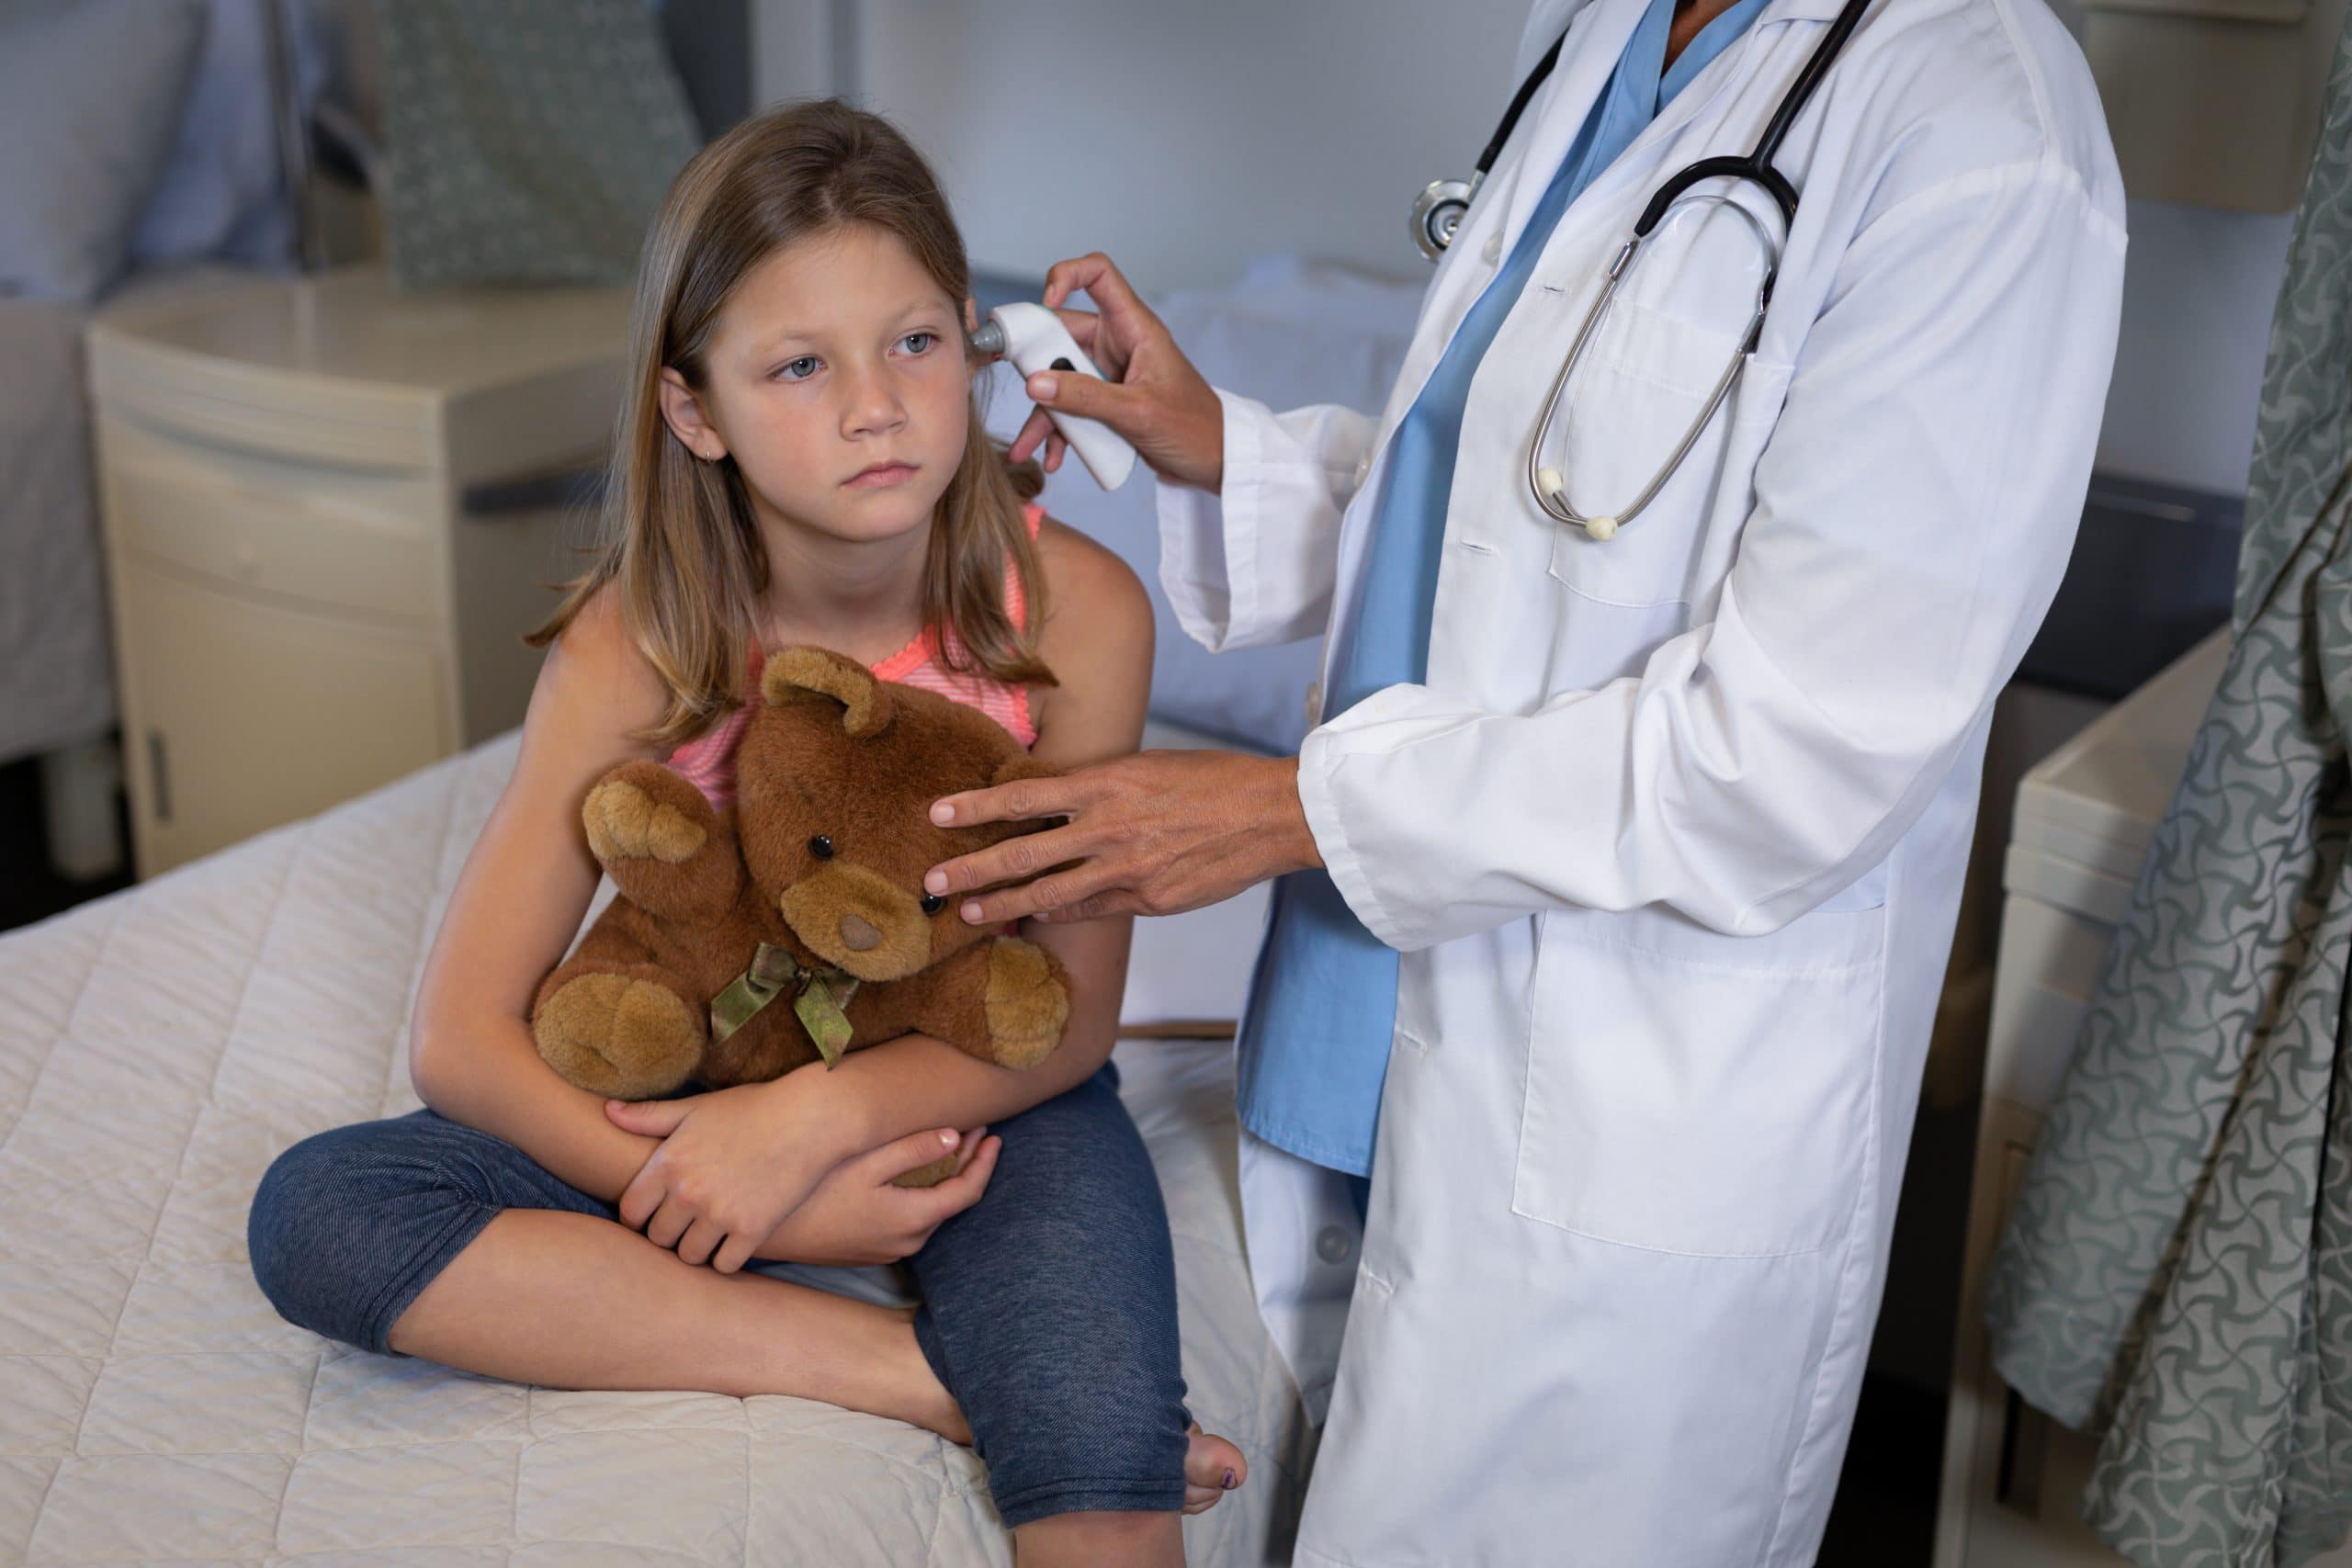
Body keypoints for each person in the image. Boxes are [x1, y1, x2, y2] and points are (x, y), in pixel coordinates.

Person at [921, 0, 2128, 1559]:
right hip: (1365, 1041)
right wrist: (1223, 442)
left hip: (1629, 1109)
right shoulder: (1598, 29)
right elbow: (1512, 516)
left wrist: (1282, 811)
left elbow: (1801, 748)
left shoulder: (1986, 130)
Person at [245, 100, 1245, 1568]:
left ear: (971, 344)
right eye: (798, 364)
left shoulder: (1081, 614)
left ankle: (1017, 1389)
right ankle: (902, 1373)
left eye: (914, 344)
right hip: (693, 1082)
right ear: (694, 411)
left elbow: (1071, 1023)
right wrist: (729, 1175)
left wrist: (815, 1127)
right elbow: (462, 1036)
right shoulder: (635, 641)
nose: (875, 406)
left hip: (971, 1094)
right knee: (317, 1214)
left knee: (1102, 1463)